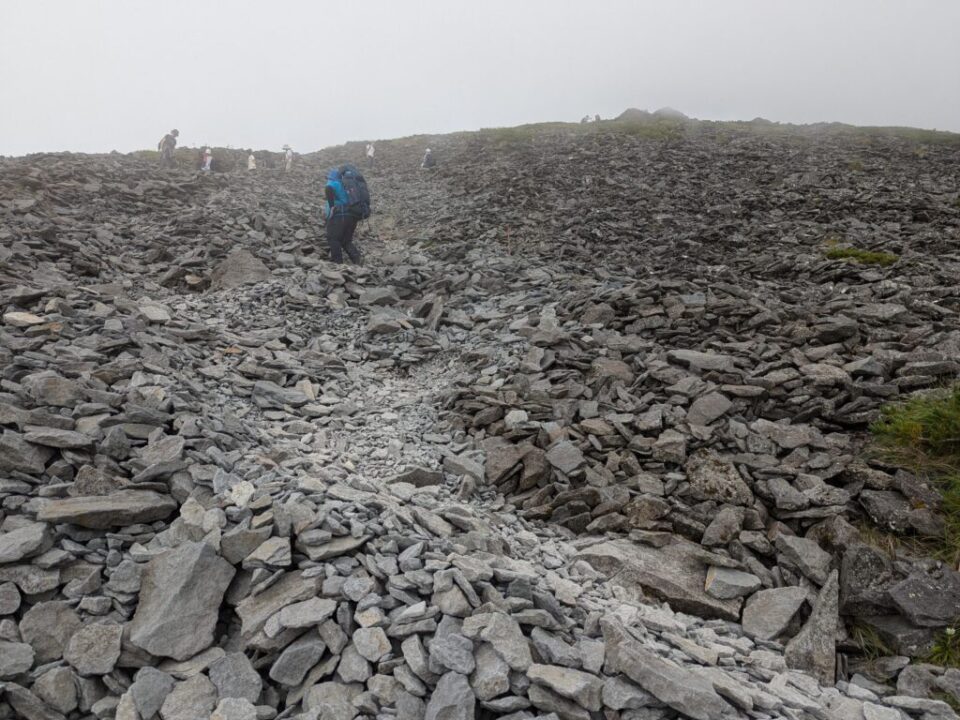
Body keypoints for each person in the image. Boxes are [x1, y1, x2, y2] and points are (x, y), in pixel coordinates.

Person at [324, 167, 363, 265]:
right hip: (351, 216)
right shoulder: (346, 186)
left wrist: (332, 206)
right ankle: (357, 259)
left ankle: (337, 263)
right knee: (346, 241)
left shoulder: (334, 183)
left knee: (333, 238)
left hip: (339, 216)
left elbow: (328, 188)